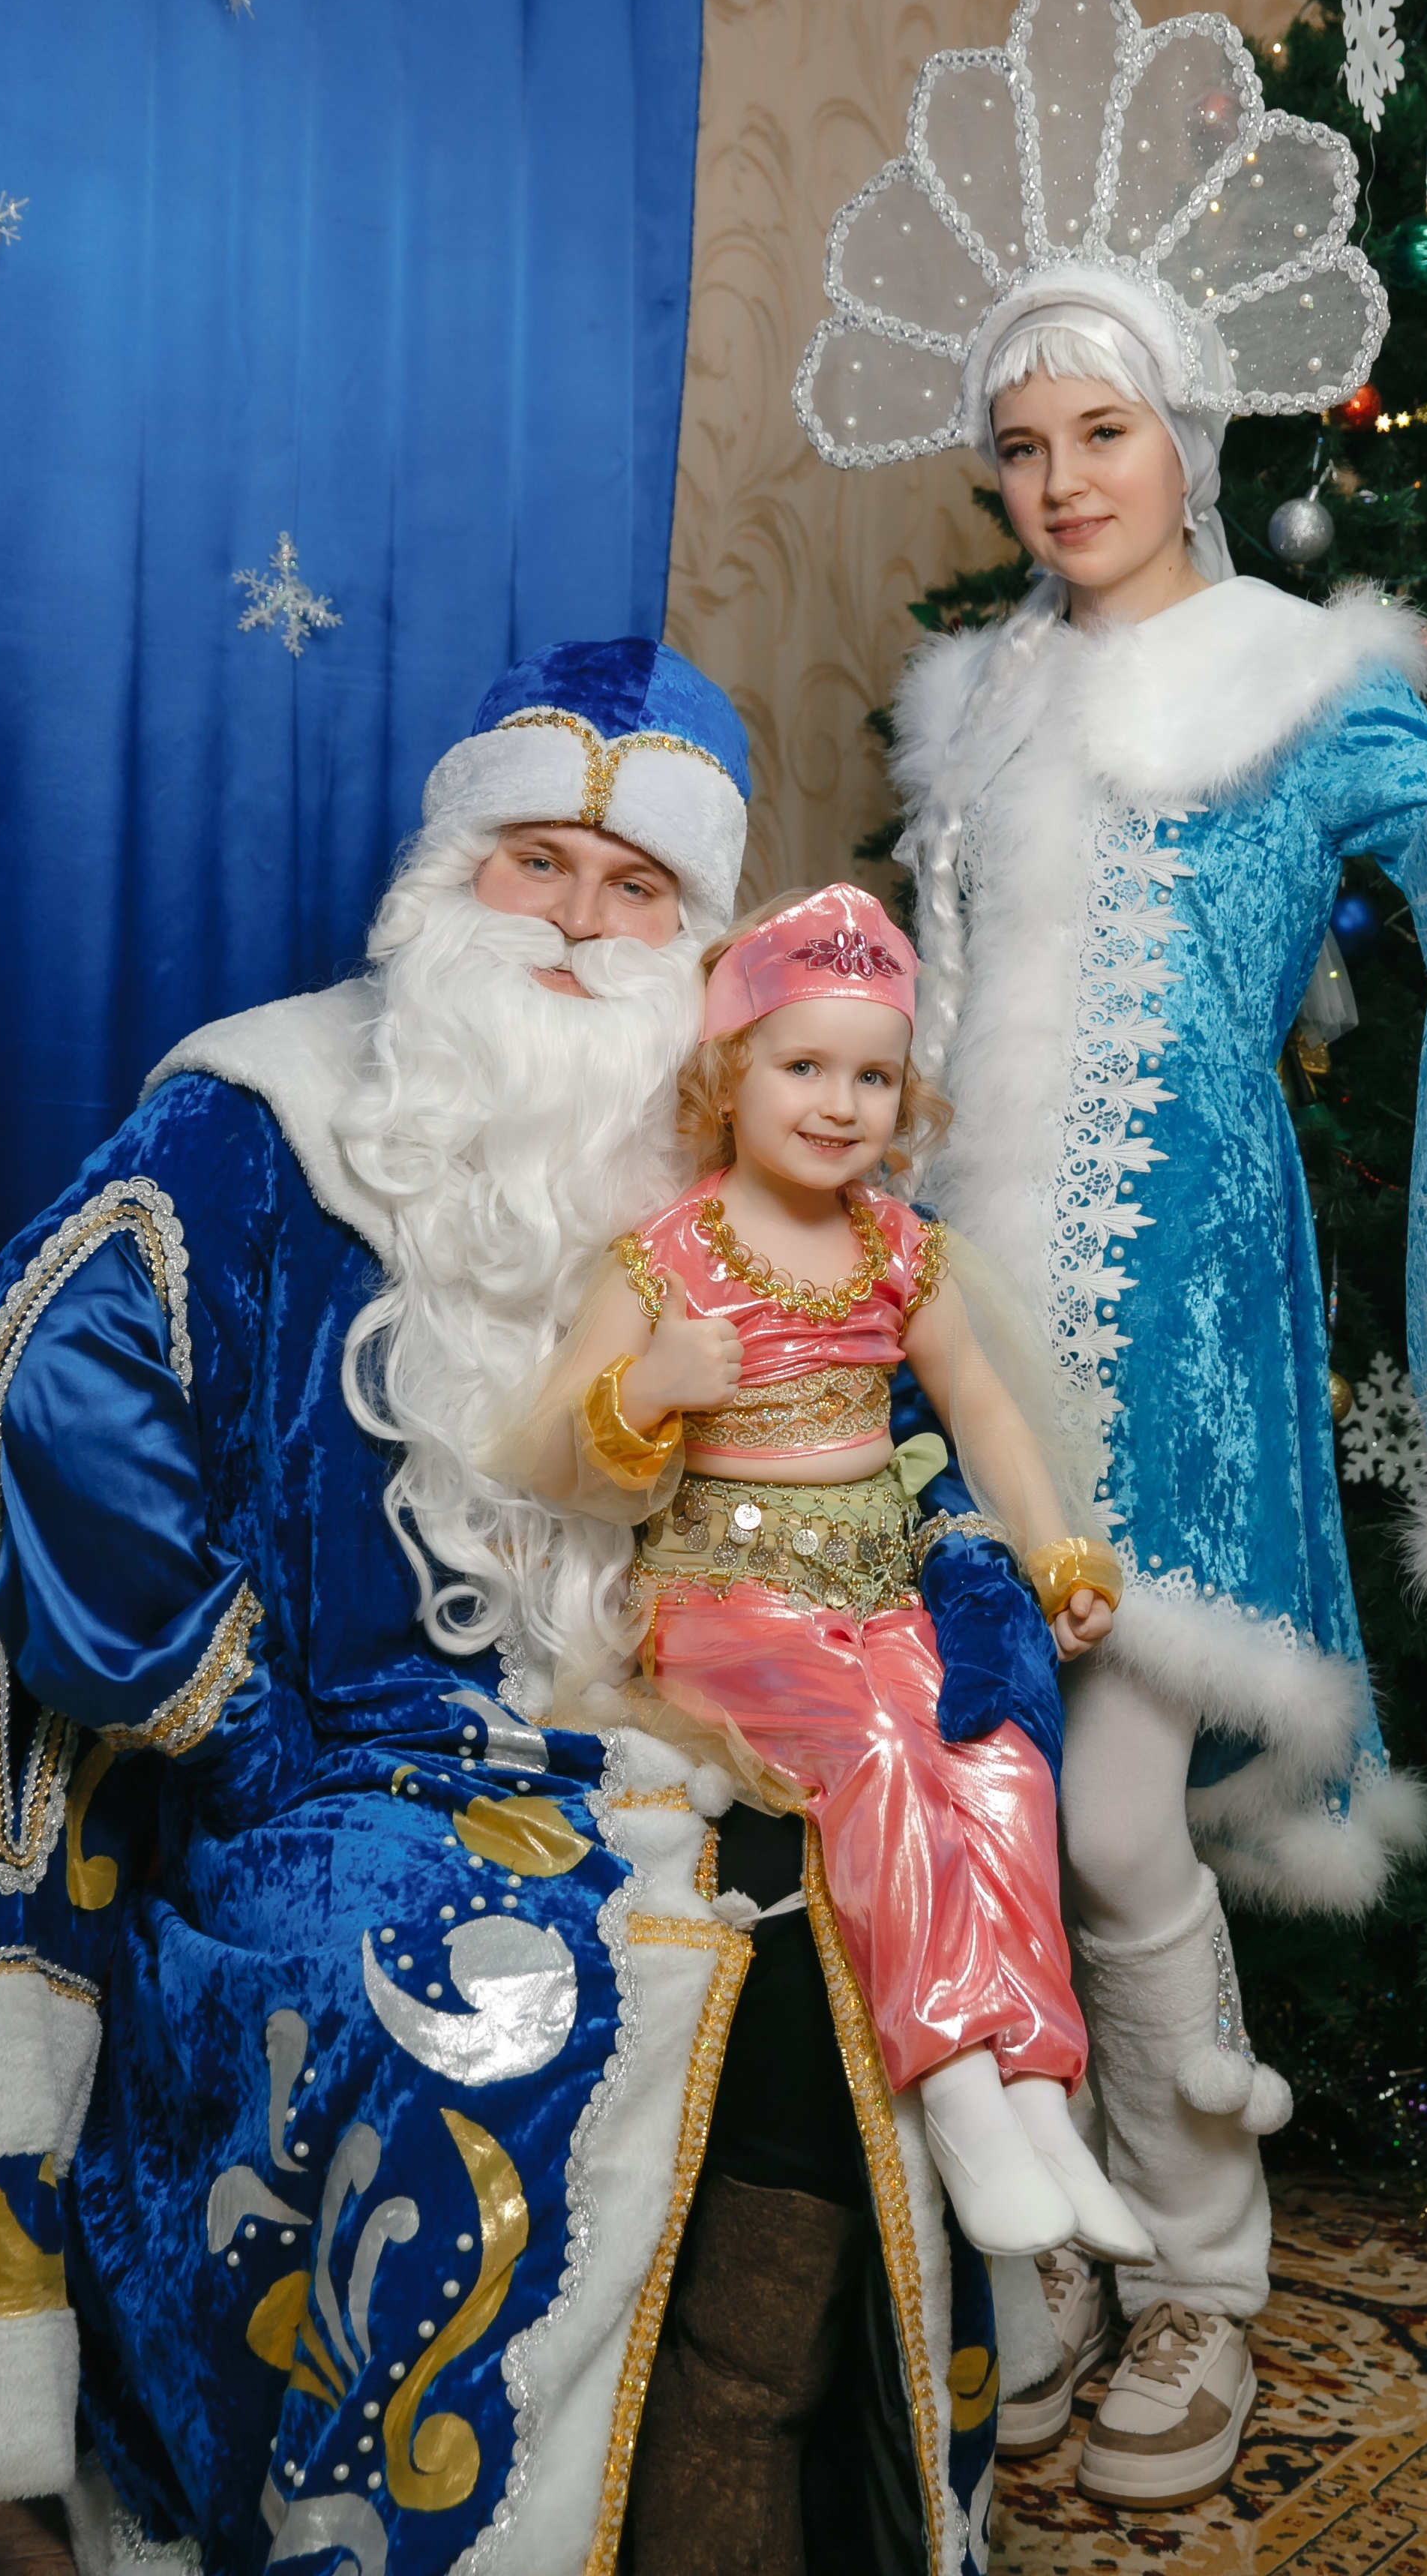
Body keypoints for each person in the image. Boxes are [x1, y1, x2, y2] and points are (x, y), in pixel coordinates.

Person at [794, 0, 1427, 2508]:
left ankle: (1207, 2266)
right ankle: (1055, 2258)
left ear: (1182, 433)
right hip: (957, 1354)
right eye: (1024, 444)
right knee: (974, 1817)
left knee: (1111, 1821)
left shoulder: (1304, 678)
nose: (1064, 477)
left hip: (1178, 1342)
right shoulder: (971, 703)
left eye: (1102, 429)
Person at [0, 644, 1015, 2576]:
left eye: (636, 888)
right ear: (445, 873)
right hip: (353, 1774)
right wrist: (241, 1730)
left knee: (859, 1934)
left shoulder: (745, 1157)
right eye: (537, 864)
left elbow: (915, 1421)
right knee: (493, 1998)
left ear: (694, 933)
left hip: (698, 1715)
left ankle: (724, 2491)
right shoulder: (267, 1113)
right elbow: (47, 1381)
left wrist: (957, 1630)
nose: (579, 923)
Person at [510, 883, 1147, 2266]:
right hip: (723, 1607)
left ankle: (1042, 2091)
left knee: (990, 1760)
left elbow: (981, 1410)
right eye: (804, 1066)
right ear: (730, 1074)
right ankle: (966, 2099)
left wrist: (1056, 1552)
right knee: (871, 1761)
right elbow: (546, 1443)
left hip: (878, 1588)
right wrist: (656, 1383)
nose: (840, 1103)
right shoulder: (669, 1257)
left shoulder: (896, 1248)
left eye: (873, 1075)